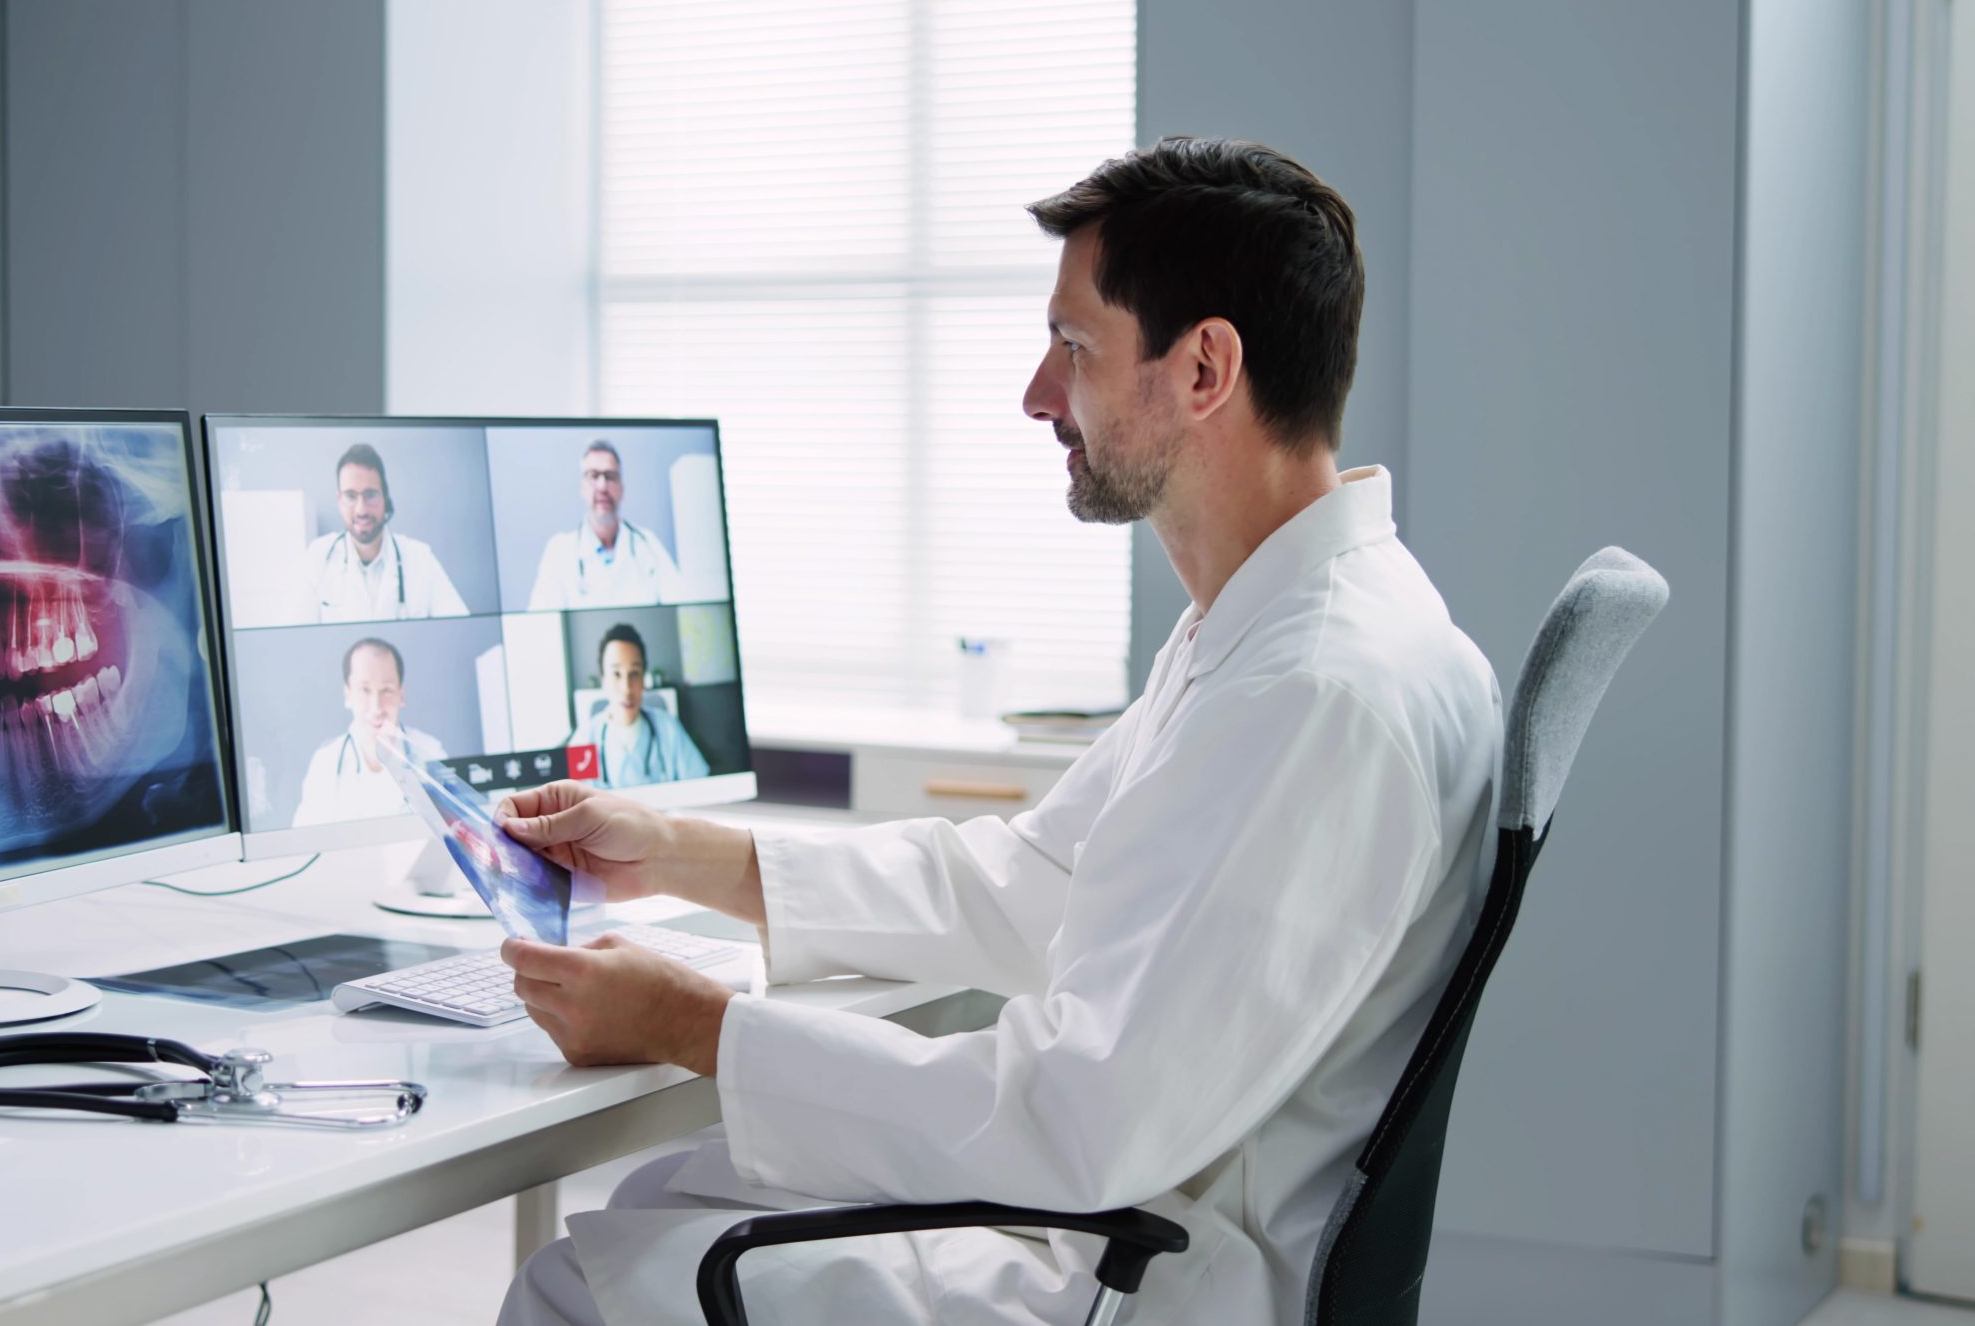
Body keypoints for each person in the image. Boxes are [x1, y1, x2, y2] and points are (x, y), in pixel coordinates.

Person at [492, 137, 1502, 1326]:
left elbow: (1081, 1115)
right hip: (1134, 1209)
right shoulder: (1273, 626)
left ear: (1203, 369)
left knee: (583, 1284)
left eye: (1073, 347)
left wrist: (691, 1023)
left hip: (1150, 1274)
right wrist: (678, 854)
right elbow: (1034, 880)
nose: (1037, 393)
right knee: (661, 1201)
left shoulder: (1316, 691)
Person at [303, 443, 470, 622]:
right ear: (339, 500)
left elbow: (461, 626)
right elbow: (292, 630)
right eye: (351, 496)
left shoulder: (420, 558)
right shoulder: (318, 557)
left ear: (385, 497)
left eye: (370, 495)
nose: (361, 510)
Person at [291, 637, 444, 827]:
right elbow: (304, 840)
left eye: (386, 690)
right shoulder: (325, 763)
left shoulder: (430, 753)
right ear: (348, 695)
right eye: (365, 690)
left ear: (401, 694)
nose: (376, 707)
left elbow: (454, 832)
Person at [525, 440, 688, 610]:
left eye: (610, 476)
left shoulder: (648, 545)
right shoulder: (559, 551)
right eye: (593, 476)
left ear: (621, 489)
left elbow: (684, 609)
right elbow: (542, 620)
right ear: (582, 487)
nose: (602, 486)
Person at [565, 623, 711, 788]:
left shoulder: (668, 728)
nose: (627, 688)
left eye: (634, 673)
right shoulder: (583, 739)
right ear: (603, 680)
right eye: (616, 674)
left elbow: (701, 788)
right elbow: (576, 798)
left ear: (643, 680)